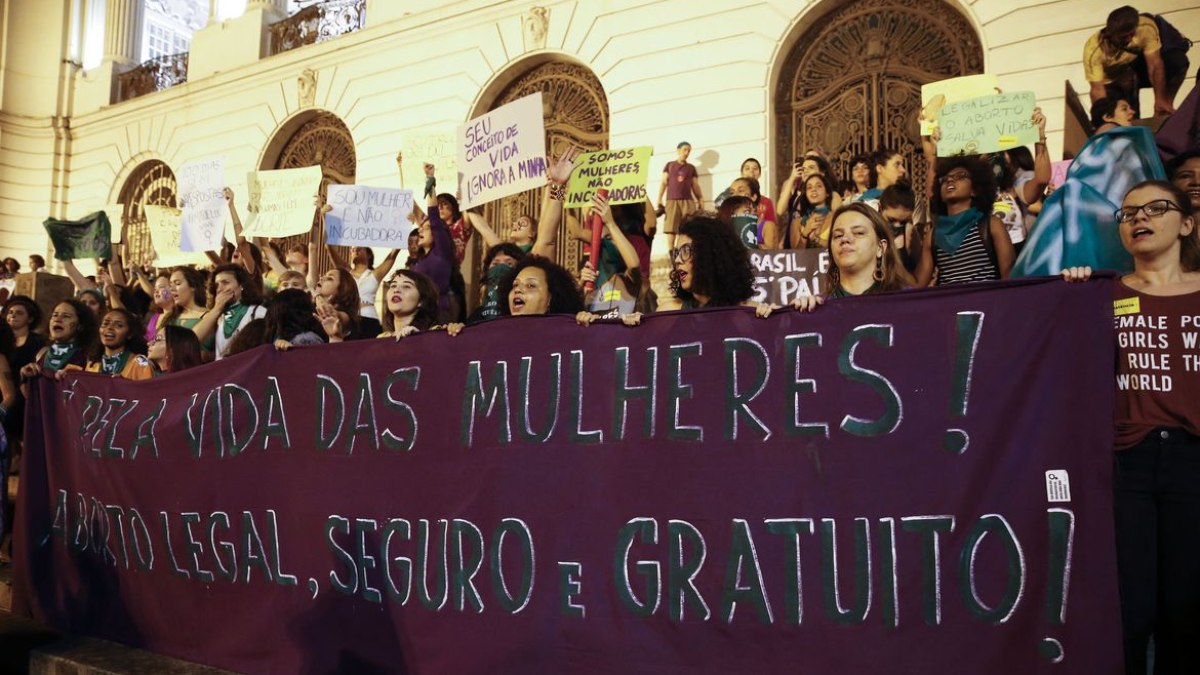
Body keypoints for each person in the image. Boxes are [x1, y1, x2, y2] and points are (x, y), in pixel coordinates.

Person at [1062, 180, 1200, 675]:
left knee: (1186, 612)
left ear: (1186, 223)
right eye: (1128, 212)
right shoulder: (1102, 293)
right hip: (1126, 464)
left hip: (1193, 463)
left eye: (1156, 208)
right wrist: (1074, 291)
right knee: (1128, 608)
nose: (1139, 217)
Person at [916, 156, 1014, 286]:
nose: (949, 179)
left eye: (960, 176)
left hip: (985, 304)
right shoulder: (933, 236)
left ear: (975, 190)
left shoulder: (992, 225)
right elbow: (916, 285)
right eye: (944, 179)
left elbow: (1011, 277)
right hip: (948, 305)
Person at [1083, 6, 1186, 116]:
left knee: (1178, 61)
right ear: (1110, 34)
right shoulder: (1094, 49)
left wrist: (1160, 99)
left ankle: (1164, 107)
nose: (1129, 40)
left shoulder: (1145, 26)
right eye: (1123, 37)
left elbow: (1155, 65)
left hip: (1137, 68)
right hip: (1114, 81)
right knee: (1127, 114)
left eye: (1131, 34)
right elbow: (1097, 89)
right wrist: (1103, 117)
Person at [659, 215, 768, 314]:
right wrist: (642, 326)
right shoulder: (667, 316)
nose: (677, 260)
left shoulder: (750, 314)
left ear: (710, 255)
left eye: (686, 251)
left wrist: (773, 319)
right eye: (676, 253)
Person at [821, 203, 914, 298]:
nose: (845, 239)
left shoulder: (906, 301)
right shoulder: (818, 307)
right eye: (838, 235)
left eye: (859, 233)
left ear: (880, 248)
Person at [192, 264, 267, 360]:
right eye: (217, 285)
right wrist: (217, 308)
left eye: (225, 283)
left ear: (241, 285)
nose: (219, 289)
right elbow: (193, 340)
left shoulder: (258, 312)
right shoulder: (217, 316)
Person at [18, 299, 95, 390]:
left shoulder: (87, 356)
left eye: (66, 316)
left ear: (80, 325)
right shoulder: (42, 353)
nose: (57, 320)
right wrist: (24, 376)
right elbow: (32, 397)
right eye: (55, 315)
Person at [63, 308, 153, 381]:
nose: (109, 327)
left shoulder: (141, 363)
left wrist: (127, 386)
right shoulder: (92, 365)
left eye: (119, 325)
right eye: (105, 323)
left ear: (130, 334)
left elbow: (147, 395)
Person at [496, 256, 584, 317]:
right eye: (515, 285)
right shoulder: (495, 334)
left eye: (530, 285)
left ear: (551, 298)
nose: (517, 289)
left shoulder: (568, 332)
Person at [656, 142, 703, 251]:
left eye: (689, 150)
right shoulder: (670, 165)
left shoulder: (691, 168)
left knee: (689, 228)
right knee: (671, 229)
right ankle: (671, 255)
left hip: (687, 201)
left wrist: (700, 198)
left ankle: (686, 252)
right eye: (684, 150)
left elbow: (695, 185)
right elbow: (664, 182)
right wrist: (659, 198)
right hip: (672, 201)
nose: (686, 153)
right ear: (678, 150)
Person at [164, 267, 215, 356]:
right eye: (170, 285)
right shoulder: (170, 317)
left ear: (193, 286)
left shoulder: (210, 316)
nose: (171, 289)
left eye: (177, 283)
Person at [728, 177, 778, 249]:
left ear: (753, 197)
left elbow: (771, 255)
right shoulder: (727, 223)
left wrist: (749, 242)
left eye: (740, 190)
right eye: (732, 192)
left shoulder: (767, 226)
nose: (735, 195)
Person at [792, 174, 836, 249]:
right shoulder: (798, 220)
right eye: (809, 187)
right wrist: (805, 232)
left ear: (827, 193)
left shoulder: (836, 218)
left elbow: (837, 249)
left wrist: (816, 239)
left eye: (818, 186)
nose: (813, 190)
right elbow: (796, 255)